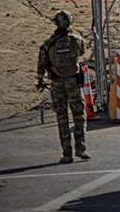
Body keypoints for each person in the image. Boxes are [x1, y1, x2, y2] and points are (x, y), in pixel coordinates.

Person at [37, 10, 89, 163]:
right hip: (73, 82)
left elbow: (41, 63)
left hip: (57, 83)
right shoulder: (76, 40)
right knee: (79, 116)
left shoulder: (48, 43)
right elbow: (81, 52)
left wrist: (40, 79)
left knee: (62, 118)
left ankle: (67, 153)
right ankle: (81, 148)